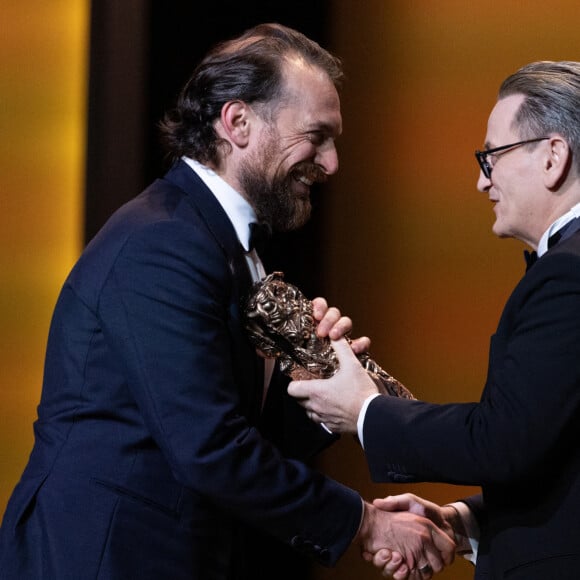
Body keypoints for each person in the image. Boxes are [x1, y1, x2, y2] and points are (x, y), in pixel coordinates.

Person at [0, 23, 456, 580]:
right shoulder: (162, 243)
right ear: (237, 122)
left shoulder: (221, 240)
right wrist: (365, 524)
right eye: (316, 135)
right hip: (102, 557)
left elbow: (235, 429)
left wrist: (324, 389)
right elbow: (210, 449)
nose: (332, 163)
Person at [288, 60, 580, 579]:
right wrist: (463, 521)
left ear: (554, 156)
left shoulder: (568, 275)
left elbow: (502, 441)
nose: (479, 181)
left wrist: (363, 409)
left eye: (491, 156)